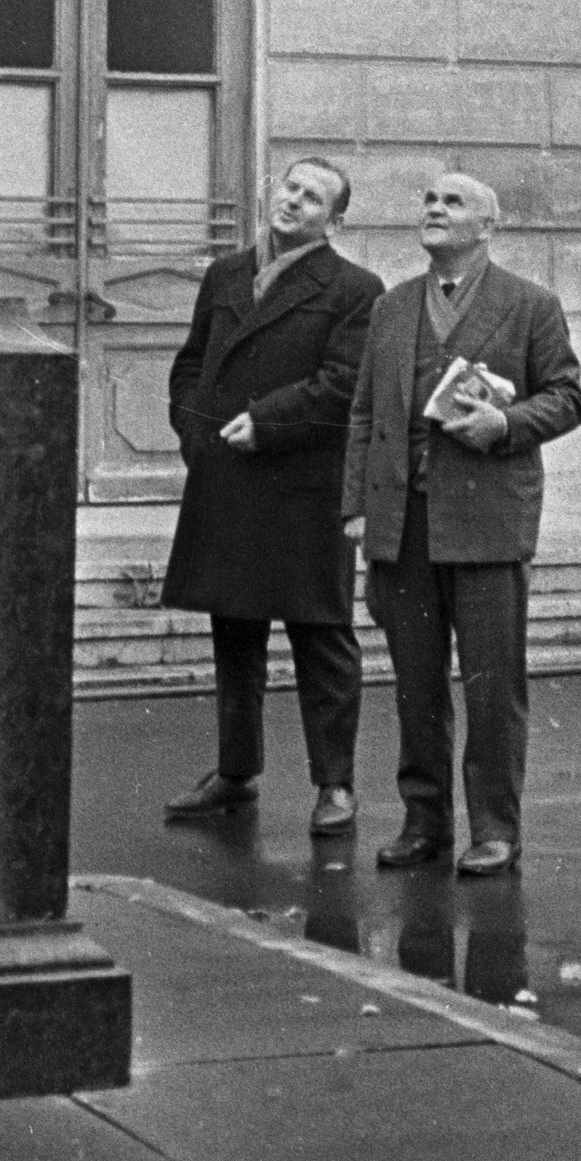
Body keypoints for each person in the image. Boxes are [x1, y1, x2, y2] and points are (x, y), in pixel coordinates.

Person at [343, 170, 581, 876]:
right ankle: (424, 822)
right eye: (429, 201)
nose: (434, 210)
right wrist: (357, 506)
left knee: (490, 685)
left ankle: (494, 829)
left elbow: (567, 398)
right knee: (415, 684)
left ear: (488, 226)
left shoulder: (529, 304)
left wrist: (503, 423)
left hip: (485, 522)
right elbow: (362, 414)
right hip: (402, 524)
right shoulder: (391, 309)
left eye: (453, 203)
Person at [161, 158, 383, 835]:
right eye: (289, 188)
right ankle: (234, 773)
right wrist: (194, 432)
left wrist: (267, 422)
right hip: (225, 476)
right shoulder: (226, 274)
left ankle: (334, 784)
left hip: (302, 486)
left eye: (312, 198)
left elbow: (345, 383)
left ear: (333, 221)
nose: (293, 203)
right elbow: (192, 362)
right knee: (232, 630)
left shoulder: (354, 288)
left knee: (321, 636)